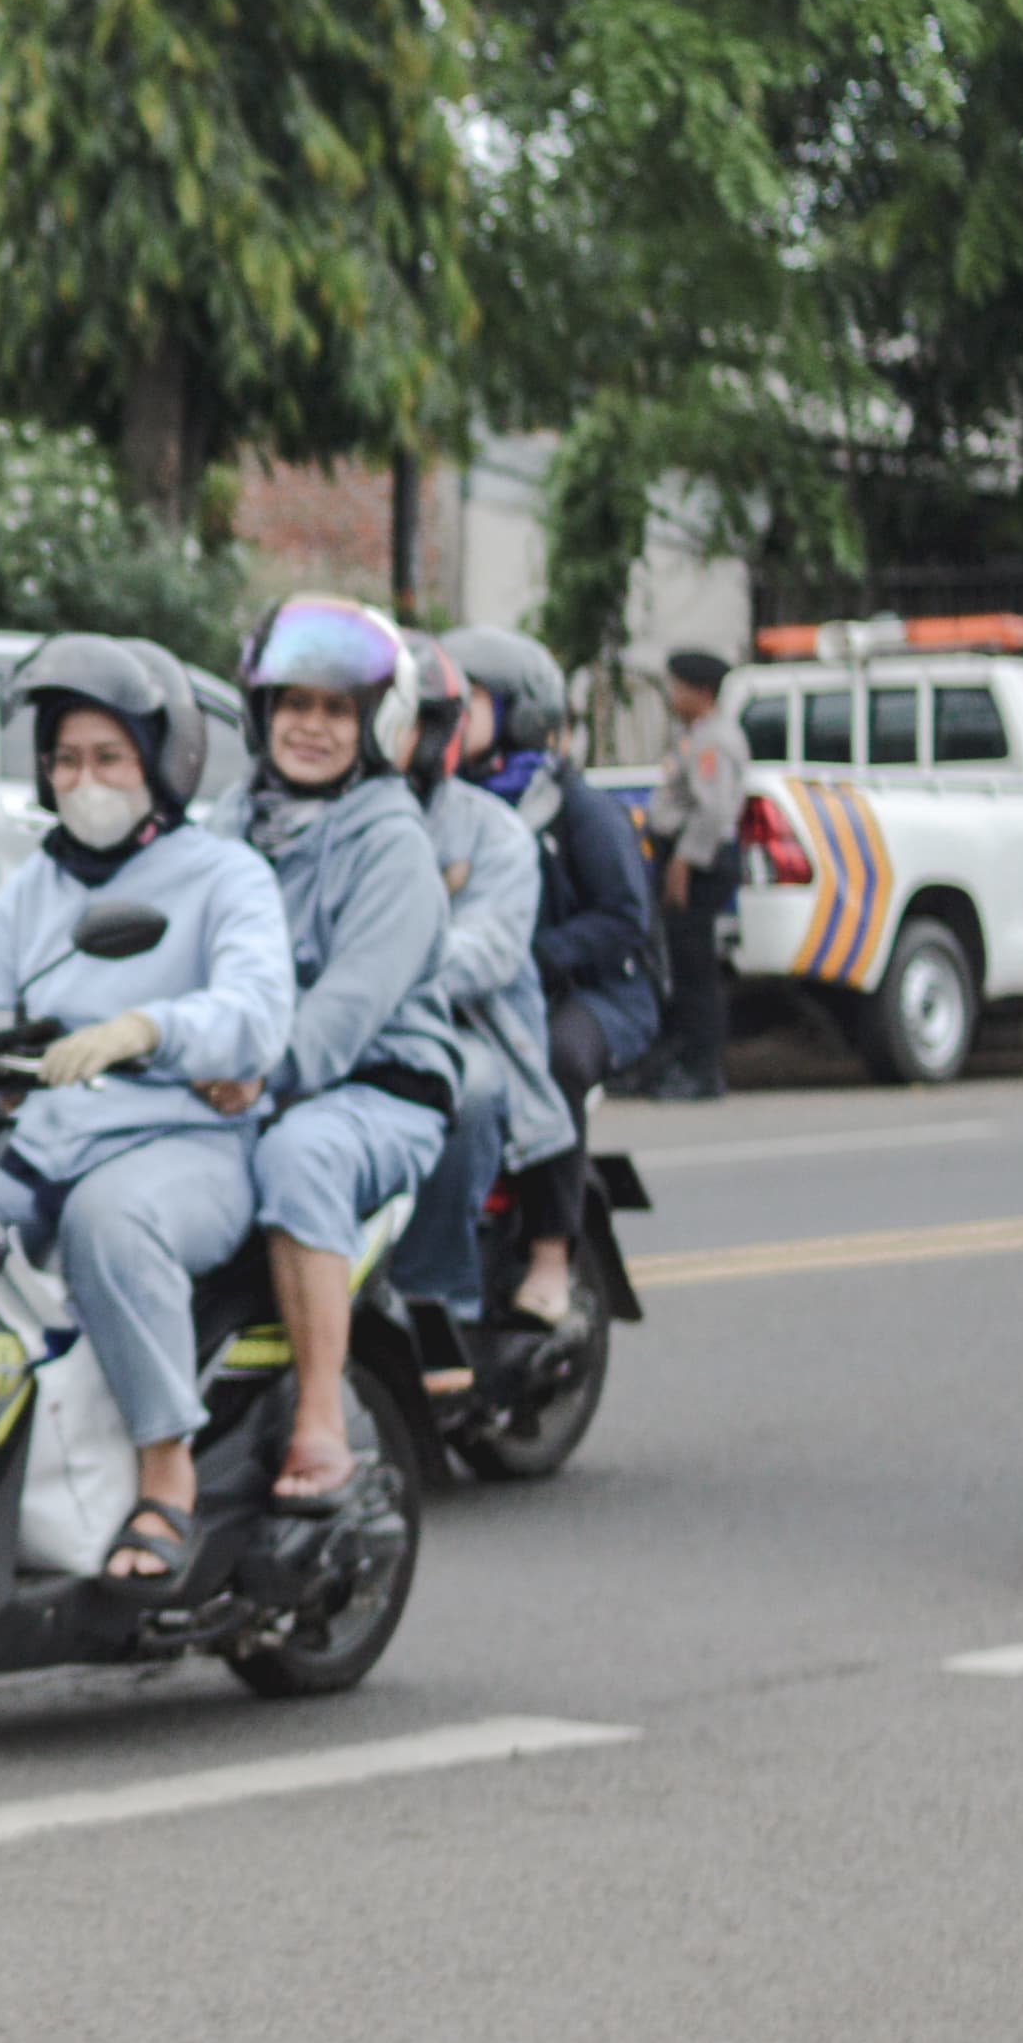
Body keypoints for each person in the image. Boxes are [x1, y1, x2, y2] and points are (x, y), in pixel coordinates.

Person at [0, 635, 294, 1589]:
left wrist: (149, 1028)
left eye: (108, 758)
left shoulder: (225, 876)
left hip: (185, 1144)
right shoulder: (37, 885)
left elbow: (259, 1011)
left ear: (161, 763)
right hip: (44, 1142)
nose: (83, 780)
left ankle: (165, 1470)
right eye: (64, 759)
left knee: (109, 1219)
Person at [226, 597, 463, 1505]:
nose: (311, 728)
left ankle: (320, 1419)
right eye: (294, 705)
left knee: (300, 1156)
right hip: (236, 1083)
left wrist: (250, 1073)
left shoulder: (391, 842)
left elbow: (344, 1013)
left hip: (374, 1092)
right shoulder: (230, 823)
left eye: (335, 710)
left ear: (374, 726)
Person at [444, 626, 658, 1325]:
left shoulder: (577, 809)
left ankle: (550, 1254)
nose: (447, 716)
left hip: (599, 993)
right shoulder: (441, 803)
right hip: (495, 989)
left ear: (517, 712)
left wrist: (534, 957)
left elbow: (625, 918)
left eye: (467, 702)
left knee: (555, 1058)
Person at [387, 633, 578, 1384]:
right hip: (327, 1028)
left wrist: (368, 978)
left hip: (468, 1029)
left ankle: (440, 1299)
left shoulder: (496, 828)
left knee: (463, 1094)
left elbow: (489, 953)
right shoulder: (271, 815)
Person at [641, 648, 748, 1099]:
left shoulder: (713, 741)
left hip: (698, 864)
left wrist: (683, 863)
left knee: (695, 972)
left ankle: (702, 1072)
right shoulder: (696, 735)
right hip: (687, 860)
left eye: (678, 686)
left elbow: (714, 810)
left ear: (701, 692)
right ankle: (680, 1064)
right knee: (681, 968)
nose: (672, 695)